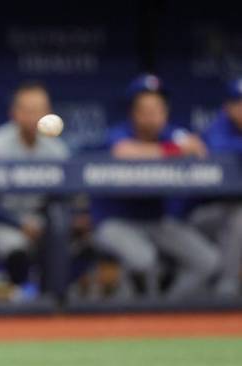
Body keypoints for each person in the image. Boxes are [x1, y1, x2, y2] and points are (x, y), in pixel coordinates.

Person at [92, 74, 219, 300]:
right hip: (115, 220)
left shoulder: (171, 134)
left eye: (158, 109)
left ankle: (169, 309)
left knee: (208, 262)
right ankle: (131, 315)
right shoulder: (119, 133)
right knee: (145, 261)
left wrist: (184, 146)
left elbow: (198, 148)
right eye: (146, 109)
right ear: (134, 112)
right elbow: (124, 152)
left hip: (157, 220)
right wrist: (173, 151)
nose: (152, 116)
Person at [0, 81, 69, 299]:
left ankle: (55, 299)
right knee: (15, 245)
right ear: (15, 113)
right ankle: (21, 296)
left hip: (38, 220)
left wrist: (38, 223)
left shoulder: (57, 151)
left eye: (39, 110)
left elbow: (62, 198)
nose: (33, 116)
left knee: (60, 229)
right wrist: (19, 224)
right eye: (27, 110)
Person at [188, 78, 242, 298]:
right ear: (227, 107)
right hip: (201, 215)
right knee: (240, 218)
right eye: (239, 103)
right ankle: (226, 288)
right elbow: (219, 149)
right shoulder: (217, 130)